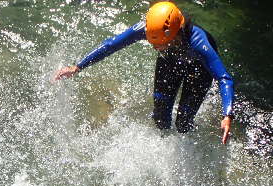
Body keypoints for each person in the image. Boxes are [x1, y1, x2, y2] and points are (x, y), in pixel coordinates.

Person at [54, 2, 235, 143]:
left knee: (183, 123)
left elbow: (224, 78)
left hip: (199, 71)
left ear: (176, 34)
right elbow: (111, 45)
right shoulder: (151, 28)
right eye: (151, 42)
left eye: (159, 43)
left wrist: (227, 115)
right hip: (170, 63)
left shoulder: (198, 43)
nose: (154, 47)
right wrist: (78, 67)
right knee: (160, 117)